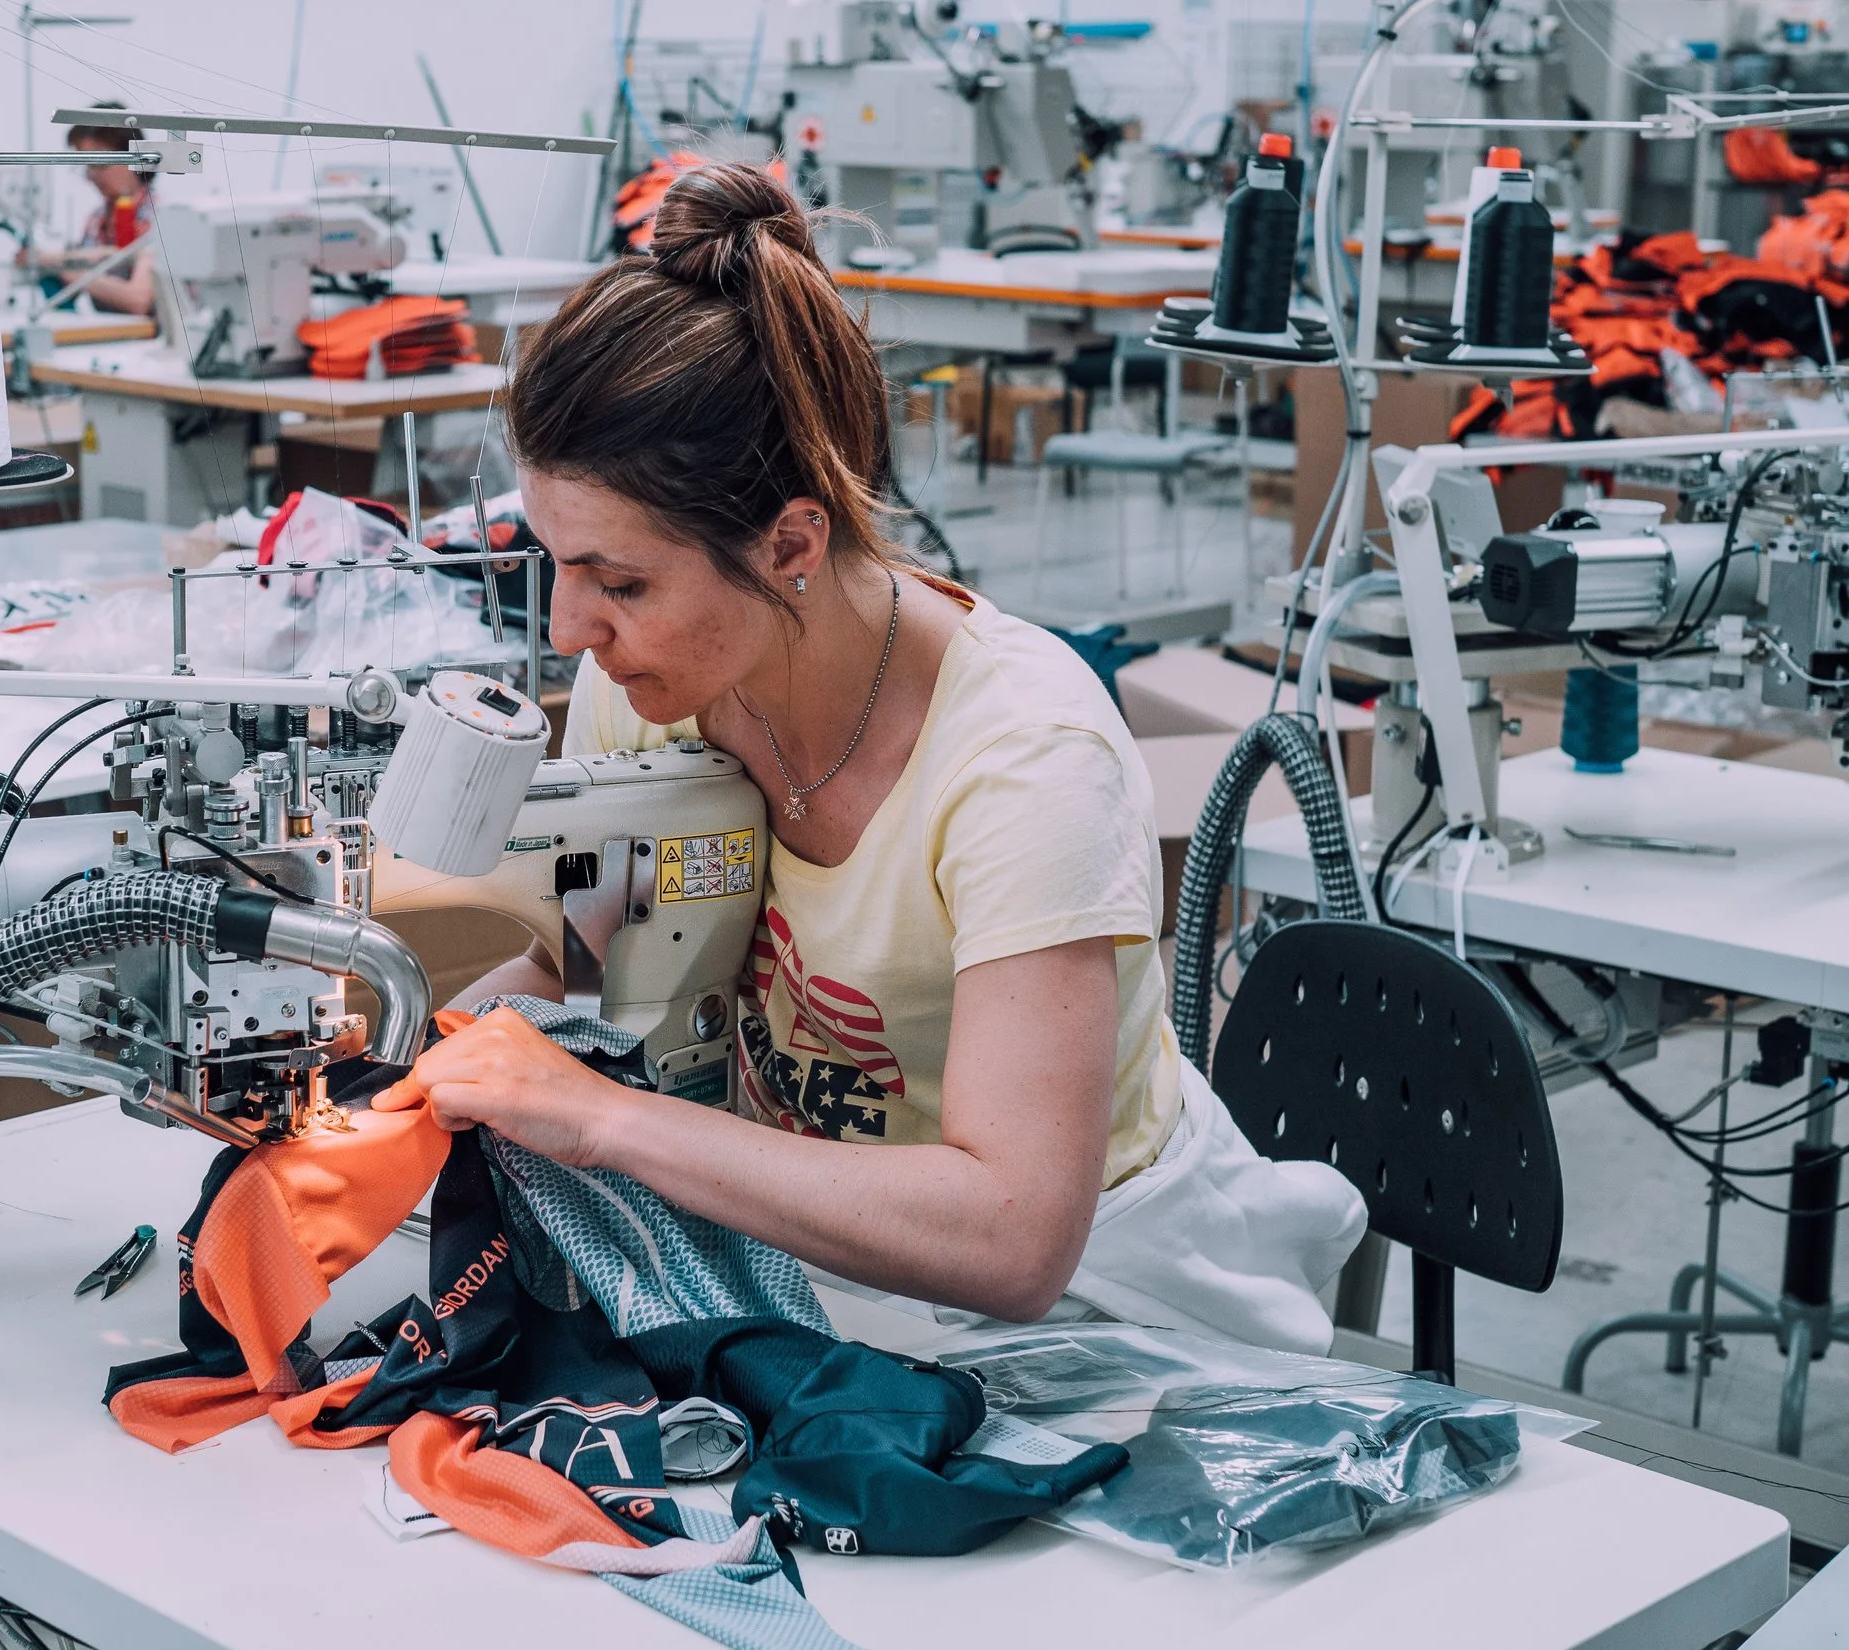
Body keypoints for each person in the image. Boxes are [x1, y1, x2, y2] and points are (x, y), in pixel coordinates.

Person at [415, 162, 1364, 1353]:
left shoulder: (1024, 757)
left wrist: (603, 1122)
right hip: (808, 1260)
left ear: (791, 542)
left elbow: (1014, 1238)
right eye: (554, 562)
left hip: (1111, 1312)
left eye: (621, 583)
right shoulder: (645, 691)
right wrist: (386, 1058)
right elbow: (577, 976)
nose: (567, 635)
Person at [27, 105, 158, 317]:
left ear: (131, 156)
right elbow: (76, 277)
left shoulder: (162, 218)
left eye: (98, 164)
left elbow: (139, 300)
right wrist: (45, 263)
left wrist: (67, 270)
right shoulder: (97, 221)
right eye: (87, 165)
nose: (91, 177)